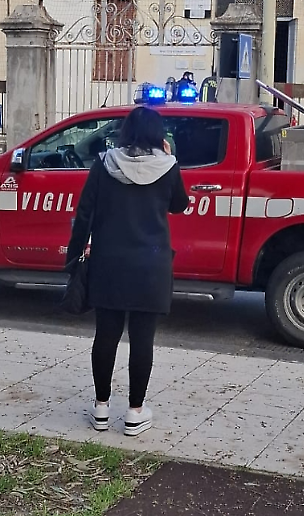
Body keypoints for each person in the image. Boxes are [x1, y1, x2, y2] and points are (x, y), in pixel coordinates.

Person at [66, 106, 189, 436]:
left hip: (110, 261)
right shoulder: (168, 166)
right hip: (151, 264)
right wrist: (169, 157)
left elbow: (85, 213)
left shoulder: (104, 164)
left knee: (106, 336)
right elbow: (180, 205)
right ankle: (135, 412)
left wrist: (73, 256)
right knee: (142, 339)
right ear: (158, 134)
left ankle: (102, 408)